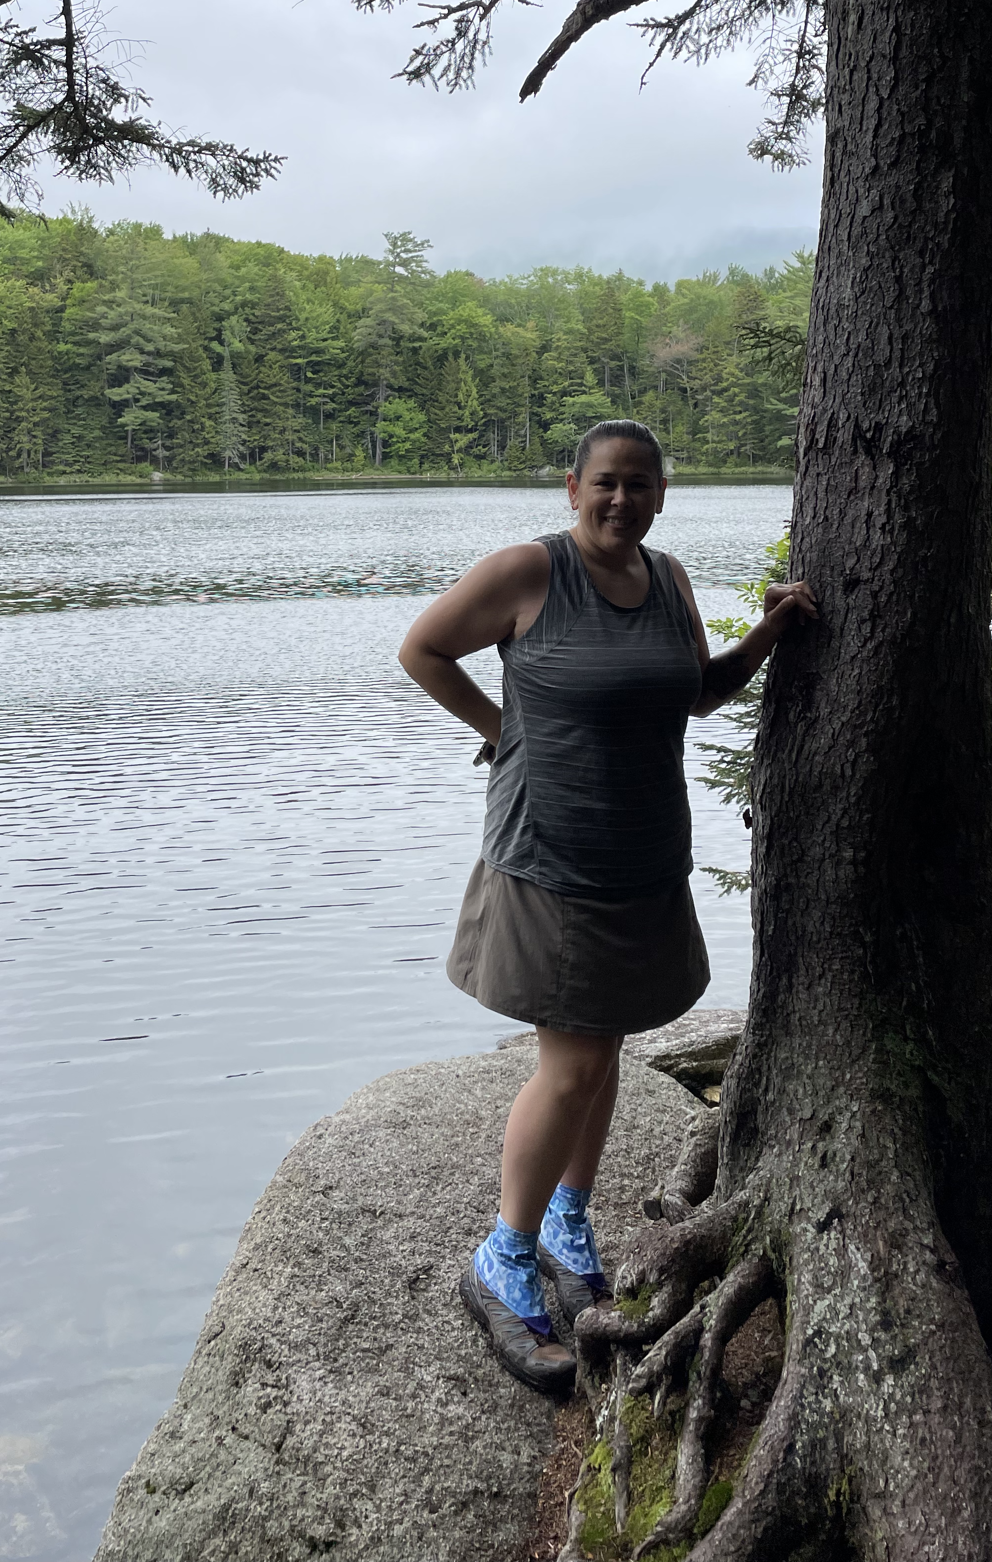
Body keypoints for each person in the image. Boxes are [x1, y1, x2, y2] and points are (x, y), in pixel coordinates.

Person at [397, 419, 817, 1394]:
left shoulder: (668, 579)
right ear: (572, 487)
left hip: (644, 857)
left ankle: (565, 1217)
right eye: (605, 482)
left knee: (608, 1047)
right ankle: (502, 1256)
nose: (621, 498)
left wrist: (768, 632)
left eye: (640, 483)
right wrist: (504, 729)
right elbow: (423, 649)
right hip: (551, 858)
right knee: (575, 1061)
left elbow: (697, 693)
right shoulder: (529, 572)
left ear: (662, 493)